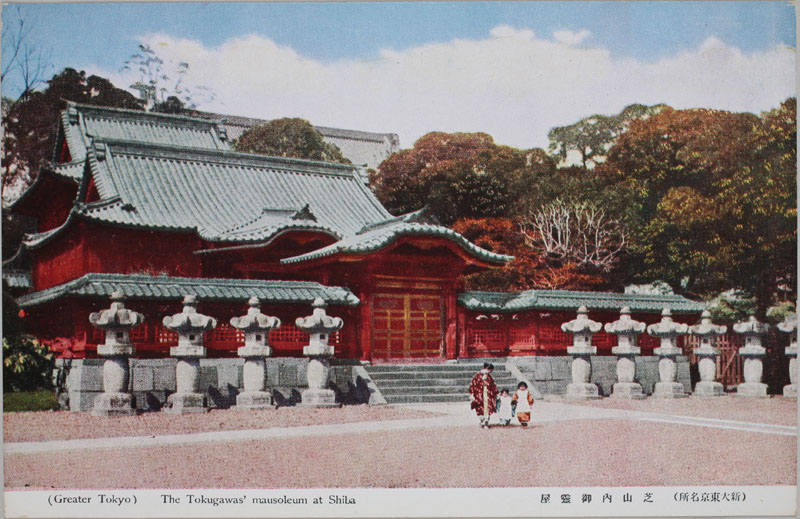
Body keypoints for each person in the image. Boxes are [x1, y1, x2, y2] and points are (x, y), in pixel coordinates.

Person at [469, 362, 498, 428]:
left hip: (487, 394)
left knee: (488, 407)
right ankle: (482, 420)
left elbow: (493, 385)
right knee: (479, 407)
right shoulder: (477, 376)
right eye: (490, 370)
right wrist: (472, 393)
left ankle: (486, 421)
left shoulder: (489, 377)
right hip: (479, 394)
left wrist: (496, 392)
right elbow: (473, 385)